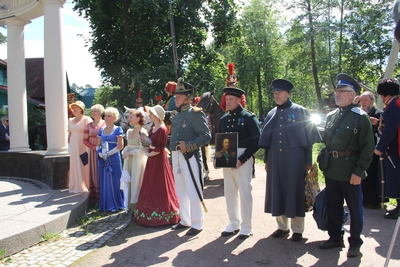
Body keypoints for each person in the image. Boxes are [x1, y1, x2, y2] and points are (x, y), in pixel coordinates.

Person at [318, 73, 374, 258]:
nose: (338, 94)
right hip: (332, 170)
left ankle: (355, 243)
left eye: (342, 91)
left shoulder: (360, 117)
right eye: (337, 90)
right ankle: (335, 237)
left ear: (352, 95)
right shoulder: (331, 116)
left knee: (355, 209)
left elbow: (368, 149)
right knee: (334, 206)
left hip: (351, 172)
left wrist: (359, 171)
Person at [259, 79, 319, 242]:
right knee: (277, 191)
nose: (276, 96)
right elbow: (267, 142)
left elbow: (309, 140)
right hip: (275, 160)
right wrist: (267, 161)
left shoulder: (301, 111)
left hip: (295, 161)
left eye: (278, 93)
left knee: (295, 192)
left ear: (287, 93)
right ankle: (282, 227)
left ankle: (298, 229)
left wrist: (308, 161)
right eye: (274, 93)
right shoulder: (271, 113)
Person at [167, 77, 211, 236]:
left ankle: (197, 223)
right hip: (177, 156)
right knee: (180, 190)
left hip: (190, 156)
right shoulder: (176, 115)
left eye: (178, 96)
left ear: (187, 97)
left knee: (193, 190)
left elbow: (206, 136)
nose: (175, 99)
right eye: (175, 96)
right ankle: (184, 220)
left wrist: (189, 145)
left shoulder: (195, 113)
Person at [217, 87, 260, 239]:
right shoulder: (224, 119)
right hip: (228, 157)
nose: (227, 102)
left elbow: (257, 141)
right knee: (229, 192)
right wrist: (218, 157)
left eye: (230, 99)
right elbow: (220, 141)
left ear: (238, 100)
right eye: (226, 99)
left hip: (243, 157)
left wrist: (243, 158)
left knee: (244, 192)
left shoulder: (248, 117)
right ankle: (233, 223)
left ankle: (246, 226)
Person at [133, 105, 180, 226]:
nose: (150, 115)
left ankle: (165, 214)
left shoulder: (163, 129)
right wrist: (146, 144)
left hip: (158, 159)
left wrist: (150, 150)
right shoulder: (153, 127)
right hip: (152, 158)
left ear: (158, 116)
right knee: (150, 182)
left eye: (152, 114)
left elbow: (160, 147)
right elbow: (150, 143)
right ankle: (148, 212)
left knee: (160, 184)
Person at [374, 78, 400, 219]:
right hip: (396, 146)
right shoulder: (395, 104)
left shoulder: (392, 107)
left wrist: (380, 147)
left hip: (395, 148)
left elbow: (390, 130)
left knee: (396, 177)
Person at [353, 92, 382, 208]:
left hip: (374, 150)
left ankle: (374, 201)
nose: (363, 102)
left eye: (366, 100)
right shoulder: (358, 113)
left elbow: (385, 129)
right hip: (359, 149)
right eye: (362, 100)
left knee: (373, 175)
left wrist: (377, 124)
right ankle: (362, 198)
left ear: (372, 101)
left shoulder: (378, 113)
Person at [96, 107, 125, 212]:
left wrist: (109, 153)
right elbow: (98, 144)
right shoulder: (101, 130)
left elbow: (120, 145)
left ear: (114, 118)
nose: (106, 118)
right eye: (105, 116)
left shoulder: (118, 129)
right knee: (104, 179)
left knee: (115, 178)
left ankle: (116, 203)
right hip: (103, 158)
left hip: (113, 157)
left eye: (109, 116)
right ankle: (106, 204)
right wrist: (99, 153)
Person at [121, 109, 148, 211]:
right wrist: (124, 152)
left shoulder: (143, 131)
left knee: (137, 180)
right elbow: (128, 145)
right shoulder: (129, 131)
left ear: (138, 118)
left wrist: (130, 153)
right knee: (130, 180)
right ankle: (130, 206)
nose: (129, 119)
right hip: (129, 160)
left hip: (138, 160)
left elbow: (144, 148)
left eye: (132, 117)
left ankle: (138, 207)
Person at [68, 101, 93, 193]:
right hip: (74, 144)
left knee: (84, 162)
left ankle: (86, 184)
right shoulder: (70, 120)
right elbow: (70, 133)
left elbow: (90, 131)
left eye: (76, 107)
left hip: (83, 144)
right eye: (73, 107)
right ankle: (76, 184)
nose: (74, 109)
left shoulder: (86, 119)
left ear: (81, 109)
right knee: (75, 163)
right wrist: (69, 145)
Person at [83, 104, 106, 205]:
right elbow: (84, 140)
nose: (93, 113)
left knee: (103, 171)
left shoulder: (106, 124)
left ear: (100, 112)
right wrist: (93, 147)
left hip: (105, 151)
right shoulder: (88, 125)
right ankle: (95, 198)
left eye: (95, 111)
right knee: (94, 171)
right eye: (92, 111)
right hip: (92, 153)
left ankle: (105, 195)